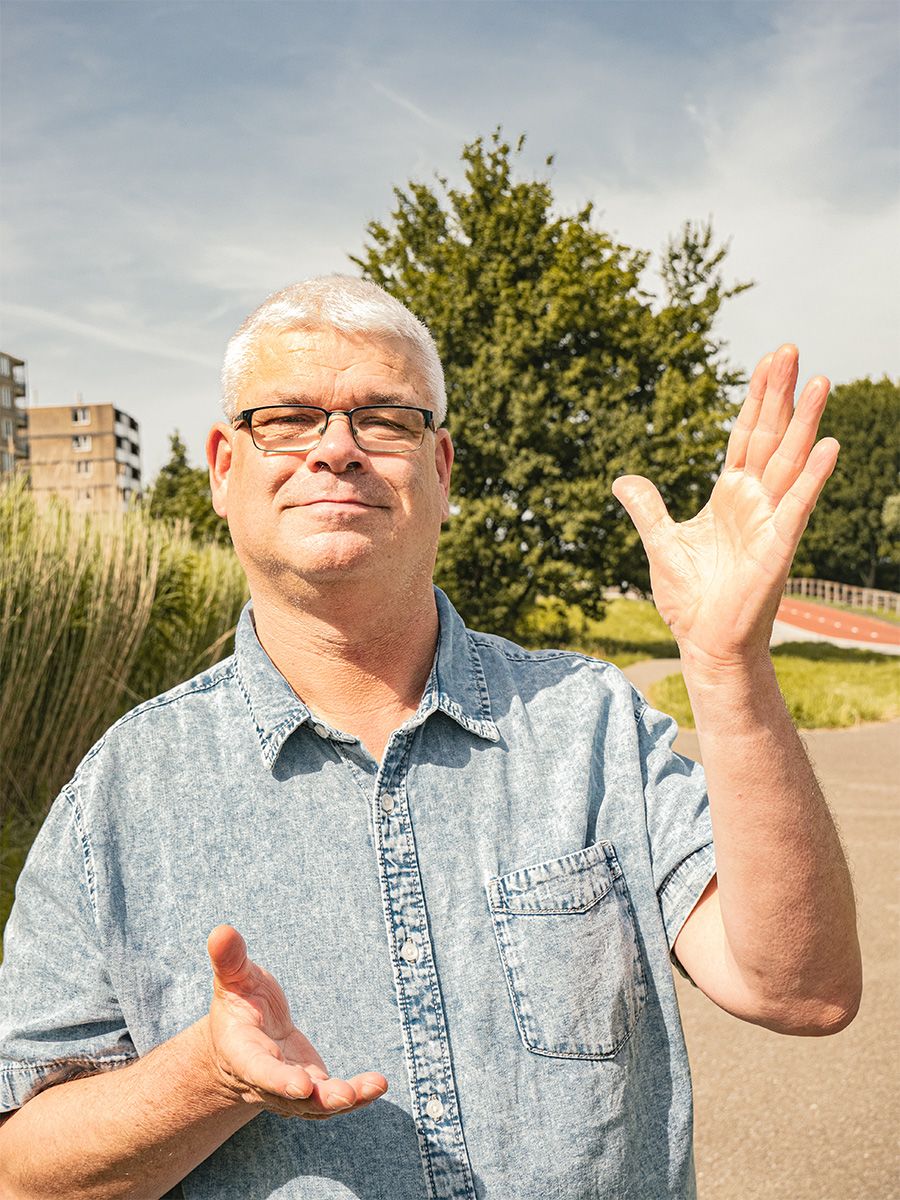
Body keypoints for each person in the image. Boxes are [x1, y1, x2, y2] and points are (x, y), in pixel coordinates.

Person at [0, 276, 861, 1199]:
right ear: (223, 467)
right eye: (289, 418)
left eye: (384, 419)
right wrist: (205, 1078)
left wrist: (730, 666)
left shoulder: (589, 725)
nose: (337, 450)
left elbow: (799, 990)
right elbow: (25, 1171)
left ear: (441, 469)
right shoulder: (124, 792)